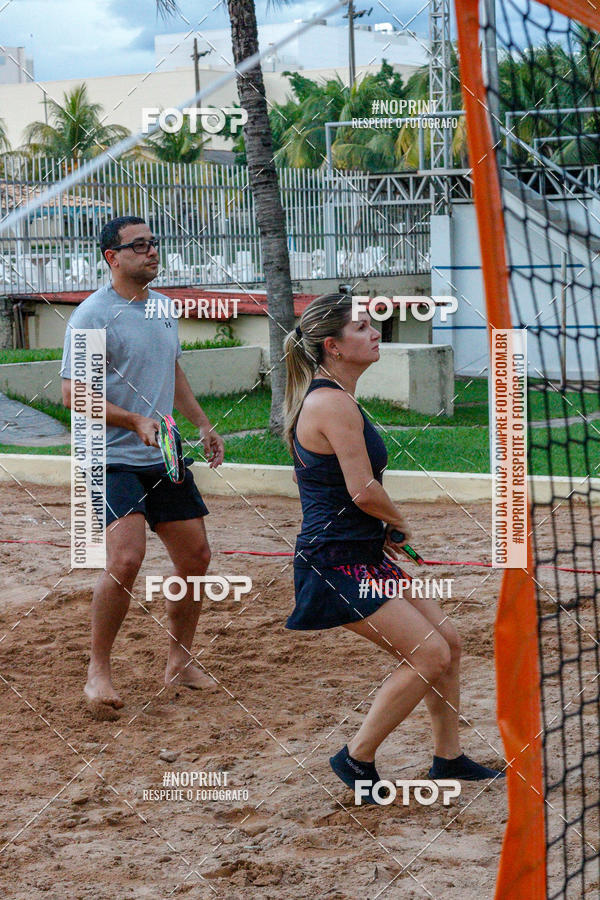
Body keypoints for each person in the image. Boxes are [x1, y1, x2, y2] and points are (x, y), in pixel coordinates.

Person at [283, 292, 504, 804]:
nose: (375, 332)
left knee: (447, 640)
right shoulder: (330, 401)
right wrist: (400, 523)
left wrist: (383, 531)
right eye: (362, 328)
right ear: (332, 345)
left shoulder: (337, 395)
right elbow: (363, 490)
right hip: (334, 560)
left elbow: (353, 492)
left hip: (361, 551)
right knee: (427, 653)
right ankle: (355, 758)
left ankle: (448, 759)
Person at [60, 215, 224, 719]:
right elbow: (72, 394)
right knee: (126, 560)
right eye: (139, 246)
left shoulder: (163, 309)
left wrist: (201, 423)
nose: (152, 252)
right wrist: (132, 420)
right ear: (112, 257)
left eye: (154, 244)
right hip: (109, 459)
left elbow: (171, 368)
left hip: (163, 453)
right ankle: (98, 671)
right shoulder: (92, 315)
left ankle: (179, 661)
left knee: (195, 558)